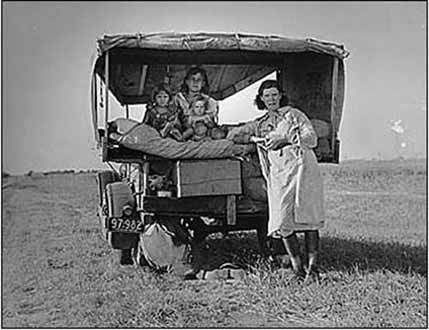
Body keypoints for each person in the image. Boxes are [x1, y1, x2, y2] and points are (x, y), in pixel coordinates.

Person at [226, 79, 325, 282]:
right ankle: (297, 268)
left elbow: (311, 138)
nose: (271, 99)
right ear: (261, 99)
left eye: (274, 94)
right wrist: (253, 139)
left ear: (280, 95)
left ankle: (313, 269)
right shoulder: (261, 124)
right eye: (266, 96)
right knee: (281, 220)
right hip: (279, 174)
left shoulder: (294, 115)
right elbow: (233, 135)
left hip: (302, 169)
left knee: (308, 216)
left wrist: (286, 139)